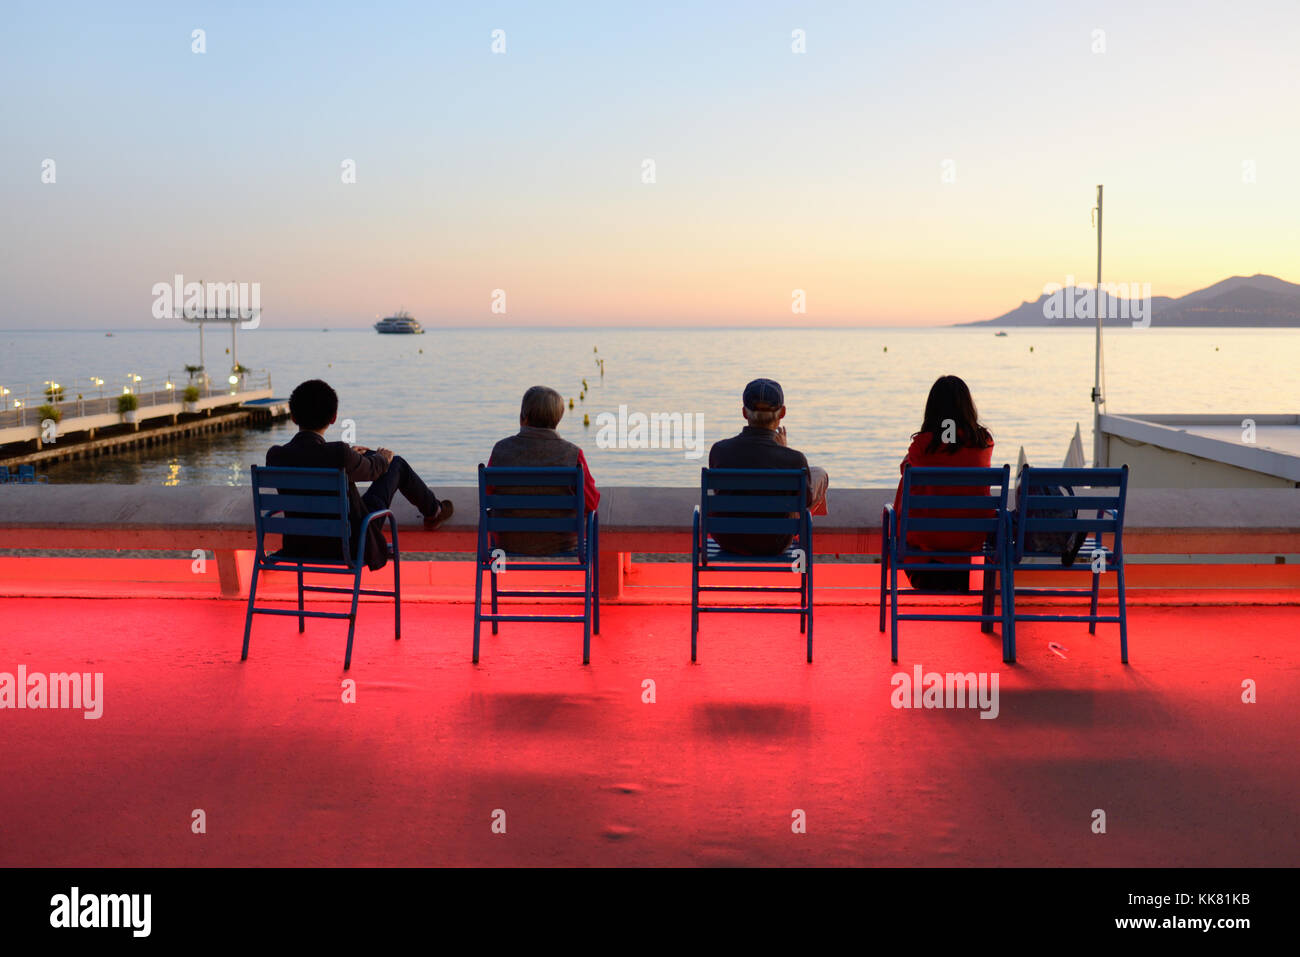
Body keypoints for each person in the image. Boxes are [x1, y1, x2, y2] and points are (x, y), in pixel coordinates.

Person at [266, 379, 452, 572]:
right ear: (333, 418)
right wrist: (382, 457)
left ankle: (434, 510)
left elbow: (311, 458)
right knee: (397, 464)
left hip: (298, 547)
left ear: (294, 417)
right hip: (350, 546)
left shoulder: (275, 455)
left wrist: (352, 456)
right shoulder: (339, 454)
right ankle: (434, 511)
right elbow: (373, 471)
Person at [892, 375, 995, 591]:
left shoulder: (922, 445)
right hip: (970, 537)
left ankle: (928, 572)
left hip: (927, 538)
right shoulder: (984, 441)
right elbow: (956, 454)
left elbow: (909, 470)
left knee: (907, 482)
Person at [707, 378, 829, 555]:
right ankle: (804, 531)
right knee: (819, 474)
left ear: (744, 412)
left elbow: (718, 492)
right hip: (775, 542)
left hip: (728, 538)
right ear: (782, 413)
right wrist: (783, 451)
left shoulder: (719, 450)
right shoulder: (794, 459)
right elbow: (805, 502)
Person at [486, 385, 600, 555]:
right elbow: (591, 503)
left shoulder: (500, 450)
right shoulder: (573, 454)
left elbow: (488, 496)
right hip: (562, 542)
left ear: (522, 417)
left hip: (508, 541)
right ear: (558, 419)